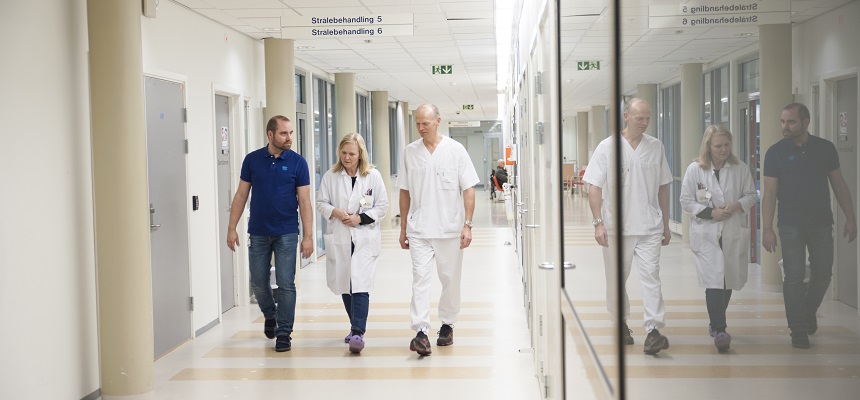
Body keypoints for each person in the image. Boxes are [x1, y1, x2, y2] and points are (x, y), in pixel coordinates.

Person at [762, 103, 857, 349]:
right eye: (782, 121)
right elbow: (770, 193)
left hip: (821, 223)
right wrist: (768, 228)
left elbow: (839, 184)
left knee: (824, 274)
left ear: (806, 122)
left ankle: (807, 311)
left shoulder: (825, 149)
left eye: (791, 122)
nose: (785, 126)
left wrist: (850, 217)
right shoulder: (775, 152)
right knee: (793, 277)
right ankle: (798, 330)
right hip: (790, 224)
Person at [582, 97, 673, 355]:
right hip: (615, 227)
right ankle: (620, 321)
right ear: (626, 117)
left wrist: (665, 223)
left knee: (652, 277)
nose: (644, 123)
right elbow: (594, 187)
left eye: (648, 118)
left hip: (649, 226)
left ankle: (654, 330)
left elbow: (663, 186)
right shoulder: (607, 147)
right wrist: (598, 222)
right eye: (639, 118)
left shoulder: (655, 147)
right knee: (617, 279)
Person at [226, 115, 314, 353]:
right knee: (258, 283)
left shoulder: (298, 163)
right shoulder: (253, 160)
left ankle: (284, 332)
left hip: (287, 231)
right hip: (258, 231)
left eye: (291, 133)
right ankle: (270, 315)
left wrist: (308, 236)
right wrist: (231, 227)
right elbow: (241, 195)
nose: (289, 138)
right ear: (270, 134)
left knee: (286, 284)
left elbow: (304, 201)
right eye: (284, 133)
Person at [399, 103, 480, 356]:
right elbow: (404, 191)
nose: (421, 128)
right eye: (418, 124)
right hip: (419, 229)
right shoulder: (410, 152)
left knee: (449, 280)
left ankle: (447, 325)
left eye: (426, 123)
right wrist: (403, 228)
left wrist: (467, 224)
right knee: (420, 280)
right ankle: (421, 331)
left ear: (438, 121)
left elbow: (468, 188)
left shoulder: (456, 150)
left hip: (449, 228)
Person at [680, 125, 757, 352]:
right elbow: (686, 201)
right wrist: (712, 212)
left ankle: (715, 323)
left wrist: (736, 205)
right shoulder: (695, 169)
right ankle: (720, 329)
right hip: (707, 232)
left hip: (731, 230)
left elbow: (751, 195)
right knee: (714, 281)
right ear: (708, 147)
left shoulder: (739, 168)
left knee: (727, 281)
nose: (723, 149)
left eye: (726, 145)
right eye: (718, 146)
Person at [316, 133, 389, 354]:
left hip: (364, 237)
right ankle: (354, 326)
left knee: (361, 285)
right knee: (346, 285)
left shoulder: (373, 176)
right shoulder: (331, 176)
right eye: (344, 153)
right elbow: (321, 202)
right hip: (341, 237)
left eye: (352, 154)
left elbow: (382, 206)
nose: (347, 157)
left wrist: (359, 218)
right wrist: (336, 212)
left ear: (360, 155)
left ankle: (358, 332)